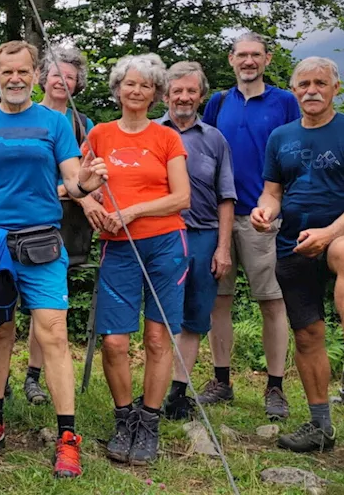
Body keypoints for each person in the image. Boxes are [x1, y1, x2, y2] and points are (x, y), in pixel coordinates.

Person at [0, 41, 107, 480]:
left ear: (35, 76)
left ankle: (67, 436)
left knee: (53, 334)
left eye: (23, 72)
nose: (15, 79)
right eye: (7, 73)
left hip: (41, 242)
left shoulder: (55, 124)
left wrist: (87, 182)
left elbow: (74, 182)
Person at [253, 56, 344, 454]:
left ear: (335, 88)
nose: (311, 90)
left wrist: (331, 232)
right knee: (308, 335)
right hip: (292, 244)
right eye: (303, 84)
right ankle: (320, 426)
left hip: (338, 233)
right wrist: (265, 211)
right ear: (293, 90)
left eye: (320, 83)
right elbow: (272, 191)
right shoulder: (280, 136)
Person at [88, 54, 190, 465]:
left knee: (156, 338)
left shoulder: (167, 138)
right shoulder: (99, 134)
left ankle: (149, 422)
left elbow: (183, 197)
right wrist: (90, 192)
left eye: (145, 85)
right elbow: (78, 183)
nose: (136, 91)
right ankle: (123, 418)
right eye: (129, 84)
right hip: (118, 247)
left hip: (165, 242)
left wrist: (133, 211)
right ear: (118, 89)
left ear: (155, 94)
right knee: (113, 341)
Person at [201, 32, 301, 420]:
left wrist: (282, 206)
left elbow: (297, 152)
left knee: (273, 302)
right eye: (241, 55)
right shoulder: (218, 102)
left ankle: (275, 387)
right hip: (218, 216)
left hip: (266, 219)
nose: (248, 61)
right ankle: (221, 380)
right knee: (218, 301)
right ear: (230, 60)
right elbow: (203, 148)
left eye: (255, 55)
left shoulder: (285, 101)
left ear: (267, 59)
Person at [17, 46, 106, 408]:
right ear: (42, 77)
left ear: (77, 84)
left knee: (51, 306)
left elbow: (92, 177)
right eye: (56, 74)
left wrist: (85, 194)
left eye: (69, 77)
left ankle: (34, 376)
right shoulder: (25, 116)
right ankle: (10, 376)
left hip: (69, 230)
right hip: (26, 222)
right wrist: (75, 192)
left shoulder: (84, 125)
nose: (61, 81)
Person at [155, 62, 237, 420]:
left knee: (194, 316)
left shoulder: (215, 139)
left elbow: (226, 197)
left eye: (191, 91)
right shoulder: (150, 133)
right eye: (177, 91)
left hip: (202, 236)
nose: (184, 97)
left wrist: (222, 247)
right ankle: (151, 389)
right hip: (159, 235)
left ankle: (178, 392)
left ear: (201, 96)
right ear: (165, 95)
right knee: (157, 316)